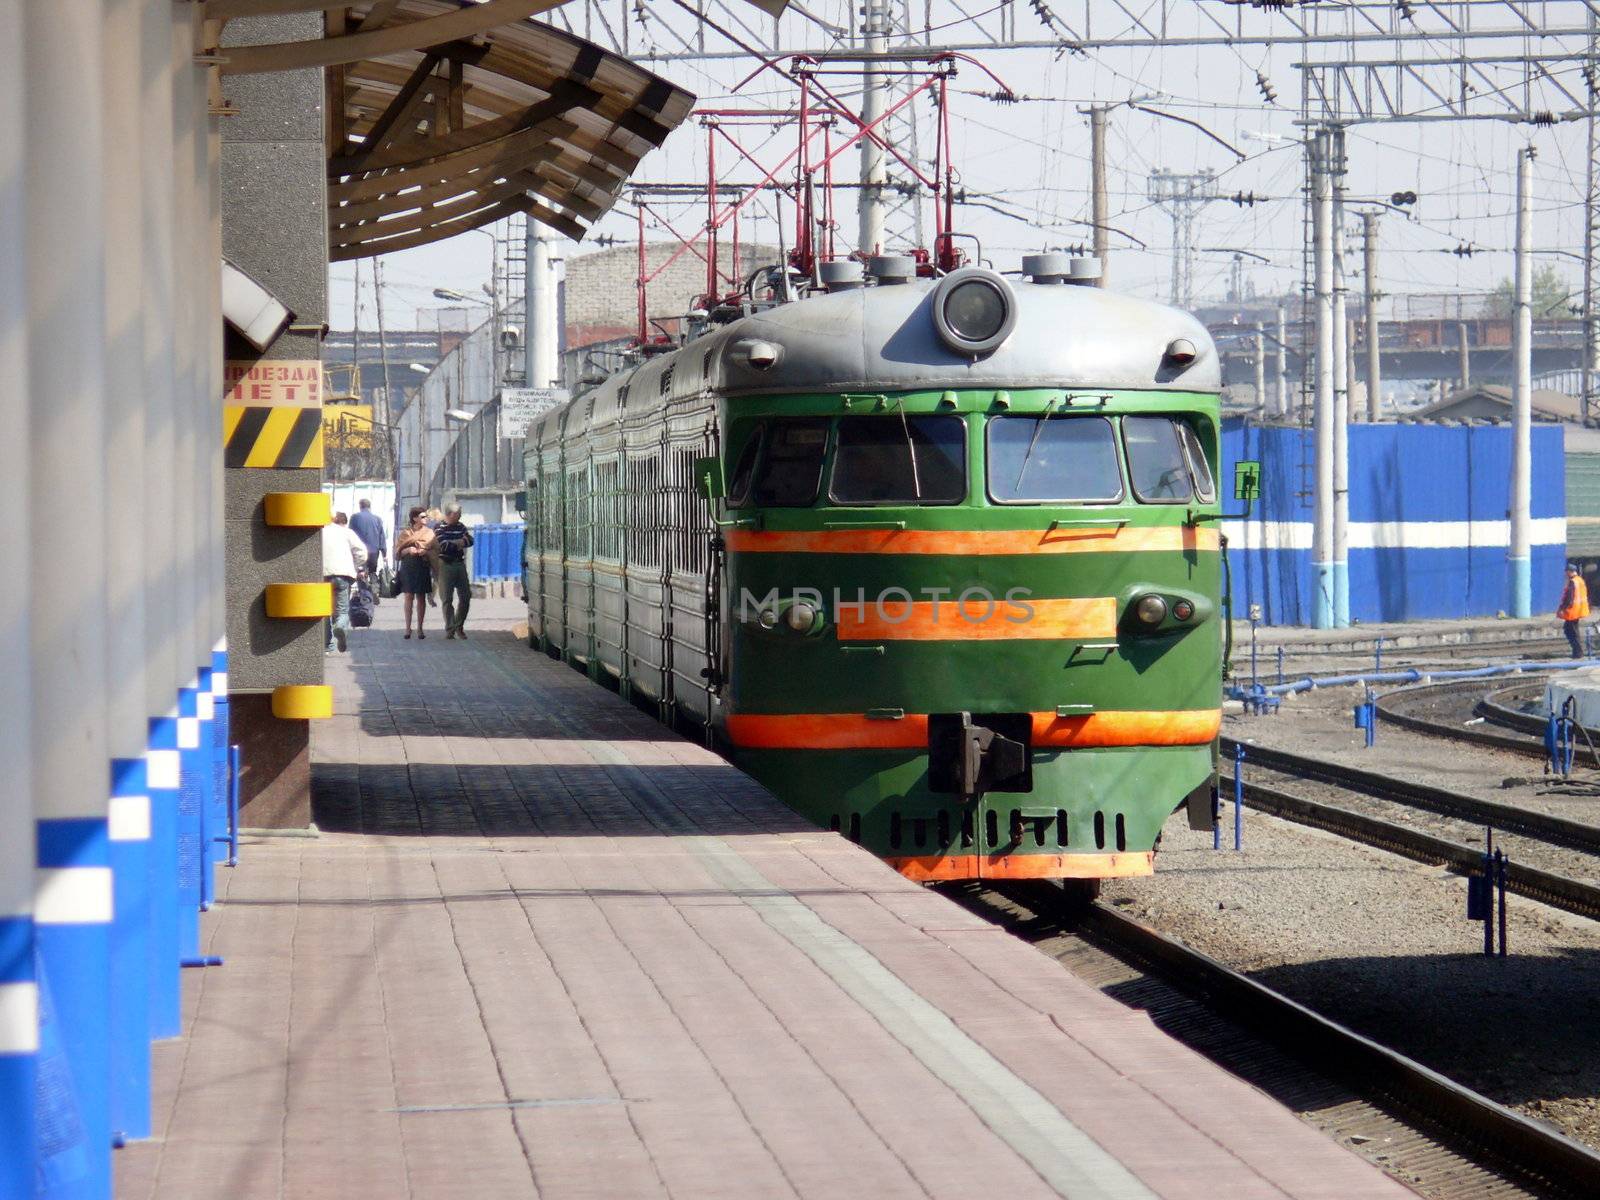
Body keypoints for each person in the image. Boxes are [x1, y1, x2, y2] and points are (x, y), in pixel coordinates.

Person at [322, 512, 368, 654]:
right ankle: (340, 626)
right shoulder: (346, 532)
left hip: (322, 575)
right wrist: (354, 565)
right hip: (343, 574)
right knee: (342, 610)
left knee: (325, 611)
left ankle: (328, 646)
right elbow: (362, 552)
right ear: (334, 519)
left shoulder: (317, 533)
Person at [434, 504, 475, 639]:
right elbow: (444, 546)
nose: (459, 517)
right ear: (449, 514)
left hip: (459, 563)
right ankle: (450, 627)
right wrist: (460, 542)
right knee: (447, 598)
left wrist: (457, 542)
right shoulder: (439, 528)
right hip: (445, 565)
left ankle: (459, 625)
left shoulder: (461, 526)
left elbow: (470, 540)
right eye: (457, 515)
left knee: (466, 596)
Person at [395, 506, 436, 639]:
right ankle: (407, 628)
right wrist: (408, 550)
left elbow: (434, 549)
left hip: (422, 565)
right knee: (408, 596)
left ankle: (420, 628)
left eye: (426, 517)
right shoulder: (405, 533)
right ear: (414, 518)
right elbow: (398, 551)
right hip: (408, 566)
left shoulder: (429, 532)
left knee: (421, 597)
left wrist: (425, 550)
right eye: (423, 517)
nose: (426, 519)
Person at [349, 498, 386, 591]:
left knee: (361, 572)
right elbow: (382, 536)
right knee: (373, 571)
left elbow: (350, 534)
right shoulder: (377, 519)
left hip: (360, 551)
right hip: (374, 550)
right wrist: (384, 553)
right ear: (370, 507)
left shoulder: (354, 517)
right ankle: (374, 589)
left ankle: (364, 594)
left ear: (360, 506)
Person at [1558, 562, 1591, 658]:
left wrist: (1563, 608)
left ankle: (1578, 653)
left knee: (1570, 631)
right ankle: (1577, 652)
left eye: (1566, 572)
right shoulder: (1580, 580)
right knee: (1572, 631)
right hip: (1578, 610)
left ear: (1570, 572)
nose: (1565, 574)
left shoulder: (1573, 582)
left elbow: (1570, 598)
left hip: (1573, 611)